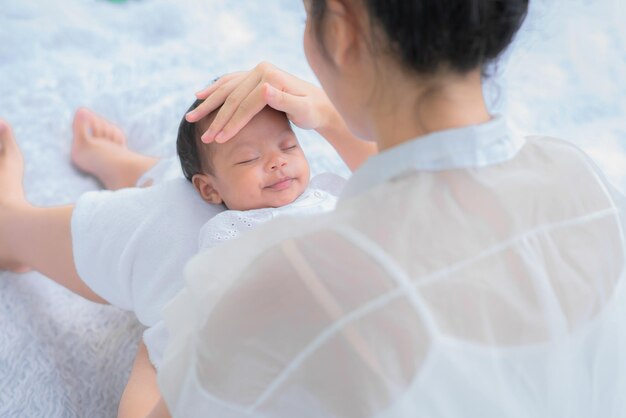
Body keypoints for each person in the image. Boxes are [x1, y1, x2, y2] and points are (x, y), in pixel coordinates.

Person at [149, 0, 623, 417]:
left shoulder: (296, 275)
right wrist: (335, 118)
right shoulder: (584, 176)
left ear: (339, 27)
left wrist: (149, 353)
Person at [0, 97, 344, 416]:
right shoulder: (221, 237)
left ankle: (124, 168)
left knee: (178, 200)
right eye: (249, 158)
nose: (278, 161)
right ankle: (14, 225)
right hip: (213, 318)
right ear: (209, 188)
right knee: (175, 214)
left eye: (288, 146)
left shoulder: (325, 196)